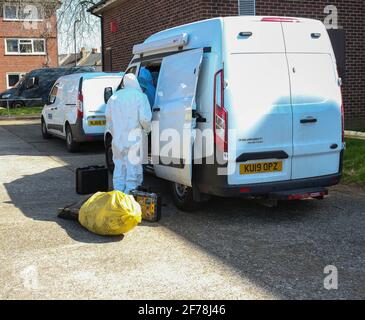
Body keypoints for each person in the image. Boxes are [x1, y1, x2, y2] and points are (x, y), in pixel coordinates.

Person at [105, 73, 152, 194]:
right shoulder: (140, 97)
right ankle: (130, 199)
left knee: (119, 169)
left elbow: (109, 120)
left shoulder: (113, 98)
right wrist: (147, 131)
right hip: (134, 140)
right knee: (133, 171)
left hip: (118, 141)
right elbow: (145, 119)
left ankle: (118, 197)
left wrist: (116, 133)